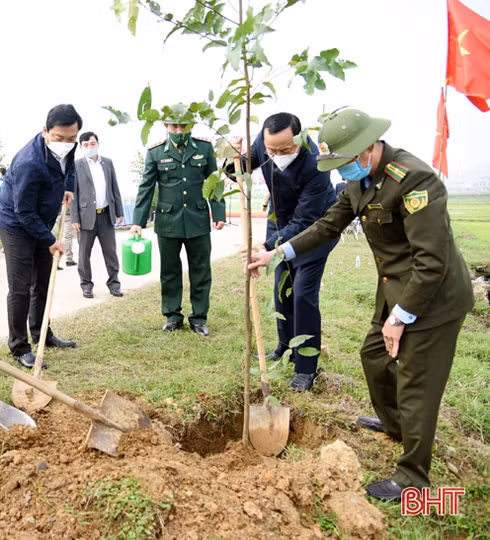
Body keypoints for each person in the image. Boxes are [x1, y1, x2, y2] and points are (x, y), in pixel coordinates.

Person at [248, 107, 474, 502]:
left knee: (416, 381)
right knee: (373, 356)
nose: (341, 172)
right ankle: (395, 424)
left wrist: (401, 318)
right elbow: (327, 224)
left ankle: (412, 478)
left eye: (346, 163)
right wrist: (277, 253)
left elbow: (431, 261)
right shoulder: (359, 179)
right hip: (395, 288)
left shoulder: (414, 179)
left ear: (369, 148)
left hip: (433, 297)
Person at [230, 113, 338, 391]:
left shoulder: (317, 164)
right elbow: (238, 171)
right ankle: (284, 345)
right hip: (279, 221)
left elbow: (305, 221)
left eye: (285, 150)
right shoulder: (263, 142)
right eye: (271, 150)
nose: (277, 155)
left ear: (299, 140)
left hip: (315, 230)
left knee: (303, 295)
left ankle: (305, 367)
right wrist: (232, 157)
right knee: (282, 290)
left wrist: (267, 247)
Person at [0, 104, 79, 368]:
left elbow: (70, 168)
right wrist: (51, 239)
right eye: (59, 138)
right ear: (45, 131)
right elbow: (23, 212)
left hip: (40, 221)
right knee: (20, 288)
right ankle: (19, 347)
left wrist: (67, 188)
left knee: (43, 281)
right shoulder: (28, 163)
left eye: (71, 139)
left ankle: (43, 332)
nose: (65, 144)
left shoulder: (68, 147)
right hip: (16, 224)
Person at [130, 120, 226, 336]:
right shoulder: (155, 152)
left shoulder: (204, 148)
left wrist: (218, 213)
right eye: (174, 127)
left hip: (198, 219)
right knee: (169, 271)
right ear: (166, 125)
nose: (179, 131)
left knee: (201, 271)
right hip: (168, 221)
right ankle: (172, 316)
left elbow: (214, 182)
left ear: (192, 125)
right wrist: (138, 220)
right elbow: (146, 186)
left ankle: (199, 318)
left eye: (184, 127)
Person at [72, 131, 124, 298]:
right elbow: (72, 194)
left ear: (98, 144)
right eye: (86, 145)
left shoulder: (107, 163)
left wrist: (120, 211)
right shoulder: (76, 166)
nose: (90, 147)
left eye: (92, 144)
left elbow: (114, 188)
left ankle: (114, 284)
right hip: (85, 217)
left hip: (106, 215)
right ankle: (86, 285)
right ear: (81, 147)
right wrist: (74, 218)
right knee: (83, 254)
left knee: (110, 252)